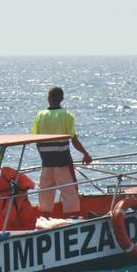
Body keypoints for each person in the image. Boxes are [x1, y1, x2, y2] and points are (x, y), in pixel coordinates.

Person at [31, 86, 92, 217]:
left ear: (48, 98)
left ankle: (45, 220)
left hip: (46, 163)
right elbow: (73, 139)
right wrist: (85, 154)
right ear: (62, 99)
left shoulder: (40, 116)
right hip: (63, 162)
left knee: (46, 194)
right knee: (70, 193)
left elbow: (36, 139)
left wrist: (45, 156)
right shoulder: (67, 116)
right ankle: (72, 219)